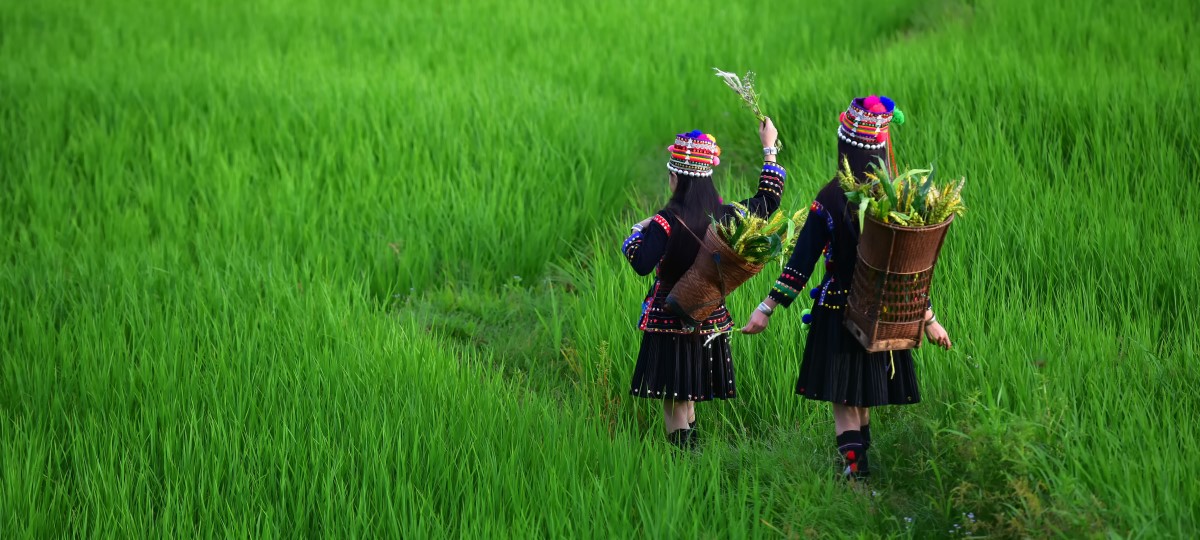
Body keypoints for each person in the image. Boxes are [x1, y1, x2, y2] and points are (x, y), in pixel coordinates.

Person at [741, 96, 952, 480]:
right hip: (883, 312)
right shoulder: (898, 199)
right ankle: (864, 474)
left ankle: (857, 480)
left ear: (845, 147)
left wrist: (766, 308)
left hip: (838, 311)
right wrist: (929, 318)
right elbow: (908, 270)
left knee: (844, 401)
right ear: (883, 148)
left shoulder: (830, 198)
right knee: (862, 398)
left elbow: (801, 263)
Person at [621, 119, 785, 449]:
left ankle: (684, 462)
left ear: (676, 178)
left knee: (674, 400)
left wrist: (636, 235)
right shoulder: (726, 215)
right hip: (709, 316)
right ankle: (695, 458)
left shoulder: (666, 220)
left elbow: (641, 264)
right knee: (689, 394)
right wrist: (769, 148)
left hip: (670, 317)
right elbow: (767, 201)